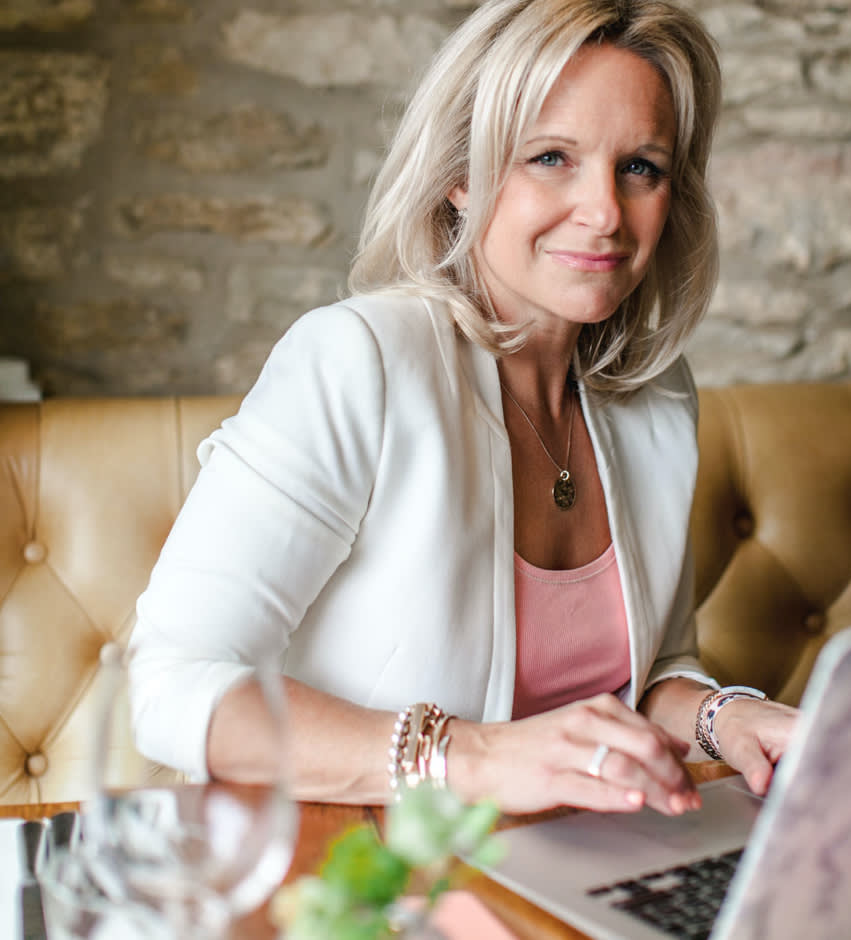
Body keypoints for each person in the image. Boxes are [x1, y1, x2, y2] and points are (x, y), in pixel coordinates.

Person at [130, 0, 797, 818]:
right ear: (462, 176)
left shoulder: (656, 397)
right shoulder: (357, 362)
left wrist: (726, 716)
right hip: (365, 863)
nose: (604, 212)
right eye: (551, 157)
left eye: (640, 167)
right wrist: (469, 755)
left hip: (575, 863)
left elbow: (647, 676)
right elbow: (169, 683)